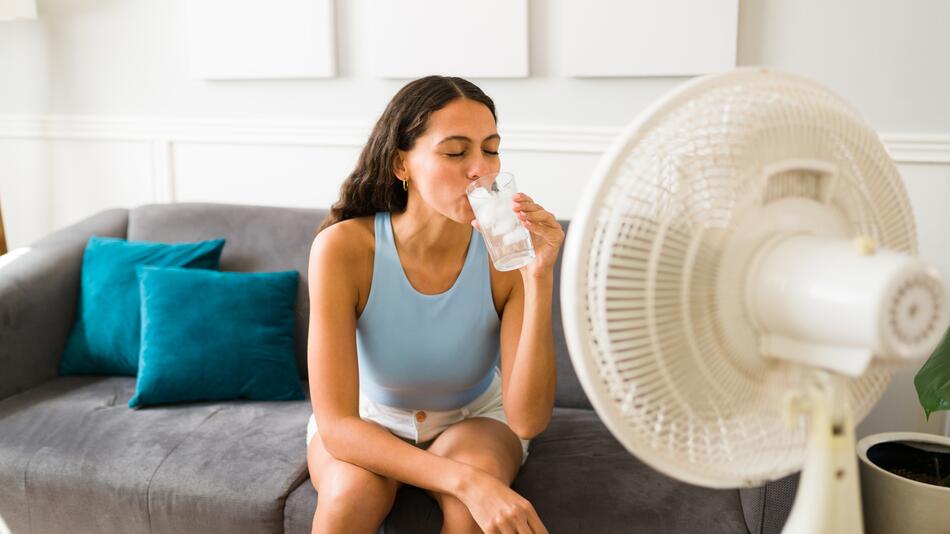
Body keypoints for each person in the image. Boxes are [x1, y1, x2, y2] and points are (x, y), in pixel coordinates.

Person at [306, 75, 564, 534]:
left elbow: (527, 418)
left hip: (475, 419)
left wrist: (538, 275)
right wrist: (468, 482)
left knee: (469, 516)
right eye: (456, 151)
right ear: (401, 164)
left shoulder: (507, 251)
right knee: (349, 496)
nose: (480, 169)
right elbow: (339, 425)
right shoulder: (343, 249)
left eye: (491, 148)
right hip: (369, 420)